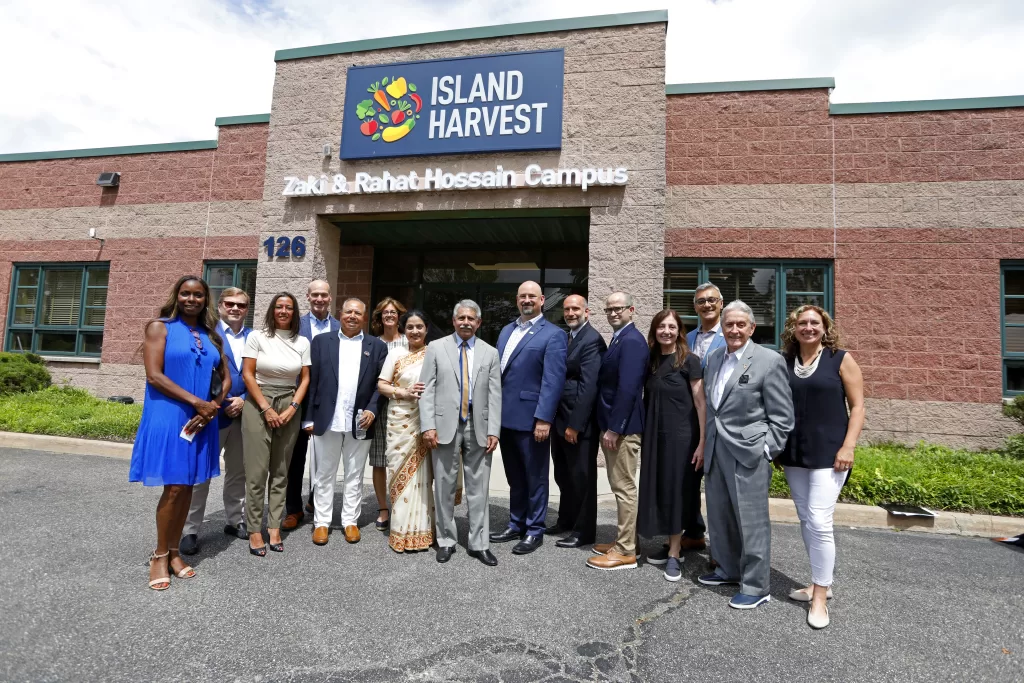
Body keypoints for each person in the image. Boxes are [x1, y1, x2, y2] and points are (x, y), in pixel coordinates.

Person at [130, 275, 230, 589]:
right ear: (177, 295)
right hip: (171, 416)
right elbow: (155, 376)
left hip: (202, 419)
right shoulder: (159, 327)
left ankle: (174, 552)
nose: (191, 299)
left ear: (205, 300)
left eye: (198, 295)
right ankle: (159, 555)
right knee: (173, 488)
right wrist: (198, 403)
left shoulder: (211, 336)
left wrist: (212, 406)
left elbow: (225, 377)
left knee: (187, 486)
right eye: (186, 293)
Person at [698, 300, 794, 610]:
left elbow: (783, 416)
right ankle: (728, 569)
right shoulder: (713, 358)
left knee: (751, 522)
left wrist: (767, 448)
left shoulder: (769, 360)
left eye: (741, 324)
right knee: (720, 515)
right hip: (716, 450)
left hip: (749, 452)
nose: (735, 329)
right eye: (729, 324)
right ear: (722, 328)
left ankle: (756, 586)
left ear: (752, 328)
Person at [778, 305, 865, 629]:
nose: (809, 327)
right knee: (806, 519)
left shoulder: (841, 359)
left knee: (818, 519)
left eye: (815, 322)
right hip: (795, 452)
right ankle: (817, 582)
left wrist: (849, 445)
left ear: (825, 327)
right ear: (793, 327)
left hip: (831, 455)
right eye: (802, 322)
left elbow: (857, 407)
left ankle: (820, 597)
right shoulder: (785, 361)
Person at [420, 300, 502, 565]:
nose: (466, 322)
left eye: (471, 319)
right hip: (444, 428)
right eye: (461, 318)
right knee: (443, 485)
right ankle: (445, 540)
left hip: (479, 428)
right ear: (453, 321)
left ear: (479, 323)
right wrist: (428, 425)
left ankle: (479, 543)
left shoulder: (490, 352)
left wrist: (494, 430)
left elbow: (495, 394)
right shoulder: (436, 347)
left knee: (479, 489)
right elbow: (427, 389)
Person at [304, 298, 388, 546]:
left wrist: (373, 409)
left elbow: (380, 385)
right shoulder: (321, 342)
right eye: (348, 311)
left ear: (364, 317)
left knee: (354, 473)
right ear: (340, 314)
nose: (352, 316)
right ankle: (321, 523)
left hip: (360, 422)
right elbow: (313, 381)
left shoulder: (376, 346)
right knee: (324, 473)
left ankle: (350, 521)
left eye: (358, 313)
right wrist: (308, 418)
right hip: (327, 419)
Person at [491, 282, 567, 555]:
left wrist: (544, 419)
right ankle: (516, 522)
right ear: (517, 300)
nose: (526, 300)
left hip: (532, 419)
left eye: (531, 296)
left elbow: (553, 381)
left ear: (542, 300)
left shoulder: (554, 334)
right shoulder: (506, 331)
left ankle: (534, 529)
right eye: (522, 296)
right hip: (505, 418)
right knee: (515, 476)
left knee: (535, 476)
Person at [637, 309, 707, 582]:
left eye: (671, 327)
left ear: (679, 331)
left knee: (678, 491)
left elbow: (701, 404)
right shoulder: (650, 361)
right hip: (654, 436)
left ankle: (675, 554)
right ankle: (670, 543)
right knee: (660, 489)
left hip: (682, 437)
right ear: (654, 331)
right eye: (661, 327)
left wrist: (702, 442)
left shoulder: (690, 360)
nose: (666, 331)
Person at [180, 287, 252, 555]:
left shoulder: (255, 337)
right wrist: (217, 403)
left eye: (241, 305)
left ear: (247, 309)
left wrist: (244, 398)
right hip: (211, 414)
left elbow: (257, 374)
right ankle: (190, 530)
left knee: (238, 472)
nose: (235, 309)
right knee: (201, 475)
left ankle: (234, 521)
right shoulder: (205, 333)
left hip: (244, 413)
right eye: (230, 304)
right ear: (220, 305)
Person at [240, 292, 311, 556]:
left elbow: (304, 379)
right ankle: (254, 530)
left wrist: (293, 407)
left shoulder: (302, 341)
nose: (283, 311)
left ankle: (273, 527)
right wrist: (267, 408)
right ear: (272, 310)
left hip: (289, 403)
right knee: (257, 473)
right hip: (259, 402)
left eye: (289, 307)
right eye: (279, 306)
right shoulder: (257, 337)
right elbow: (248, 374)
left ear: (294, 313)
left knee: (281, 471)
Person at [588, 292, 648, 571]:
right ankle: (624, 541)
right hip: (615, 427)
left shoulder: (633, 341)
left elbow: (628, 388)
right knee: (620, 486)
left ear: (631, 310)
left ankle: (625, 552)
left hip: (622, 429)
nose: (612, 313)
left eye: (618, 308)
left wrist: (614, 428)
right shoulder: (621, 337)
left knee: (624, 488)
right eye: (608, 309)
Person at [550, 295, 607, 549]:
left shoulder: (592, 340)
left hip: (577, 423)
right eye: (567, 309)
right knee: (564, 474)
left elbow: (588, 386)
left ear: (587, 311)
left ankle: (584, 532)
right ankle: (566, 520)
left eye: (575, 309)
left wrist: (576, 424)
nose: (571, 313)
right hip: (559, 420)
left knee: (582, 477)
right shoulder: (568, 336)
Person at [282, 280, 339, 531]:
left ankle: (316, 502)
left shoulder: (339, 327)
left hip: (327, 400)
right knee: (295, 457)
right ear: (307, 297)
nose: (319, 299)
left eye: (323, 295)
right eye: (315, 294)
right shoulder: (296, 324)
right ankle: (293, 509)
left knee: (324, 457)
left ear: (330, 298)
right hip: (298, 398)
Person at [375, 310, 431, 552]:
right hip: (399, 420)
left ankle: (423, 531)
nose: (415, 331)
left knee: (423, 477)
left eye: (419, 326)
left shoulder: (434, 354)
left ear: (426, 329)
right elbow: (381, 385)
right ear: (404, 329)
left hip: (425, 421)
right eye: (410, 327)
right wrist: (403, 393)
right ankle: (400, 530)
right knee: (399, 473)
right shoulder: (396, 353)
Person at [369, 296, 409, 532]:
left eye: (393, 312)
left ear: (399, 316)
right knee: (379, 460)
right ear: (379, 317)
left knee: (402, 458)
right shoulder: (373, 343)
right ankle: (383, 508)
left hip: (405, 409)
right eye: (385, 312)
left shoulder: (409, 342)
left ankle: (403, 504)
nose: (390, 315)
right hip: (379, 408)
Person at [686, 282, 726, 368]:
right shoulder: (687, 338)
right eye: (701, 301)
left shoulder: (730, 335)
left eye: (712, 300)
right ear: (695, 307)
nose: (707, 305)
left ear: (721, 304)